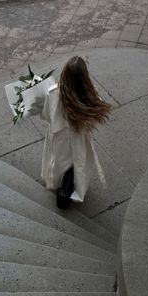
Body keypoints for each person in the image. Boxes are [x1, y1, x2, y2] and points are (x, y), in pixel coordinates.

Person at [40, 56, 113, 209]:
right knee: (79, 163)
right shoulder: (92, 96)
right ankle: (77, 187)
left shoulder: (53, 93)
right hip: (79, 138)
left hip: (59, 137)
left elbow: (46, 115)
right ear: (84, 78)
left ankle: (56, 182)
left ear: (64, 74)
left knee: (58, 162)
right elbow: (91, 122)